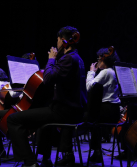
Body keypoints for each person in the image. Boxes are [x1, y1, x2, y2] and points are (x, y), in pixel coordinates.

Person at [6, 26, 87, 167]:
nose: (56, 43)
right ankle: (45, 158)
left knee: (13, 120)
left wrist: (51, 59)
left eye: (57, 40)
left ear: (63, 41)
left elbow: (48, 79)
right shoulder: (78, 59)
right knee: (43, 119)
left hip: (64, 112)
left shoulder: (67, 59)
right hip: (73, 111)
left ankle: (30, 161)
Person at [86, 46, 121, 162]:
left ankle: (96, 152)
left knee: (89, 119)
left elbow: (89, 87)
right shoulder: (114, 71)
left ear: (103, 60)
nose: (97, 61)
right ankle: (96, 151)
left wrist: (91, 72)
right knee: (94, 121)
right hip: (114, 110)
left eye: (99, 59)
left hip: (106, 109)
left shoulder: (106, 72)